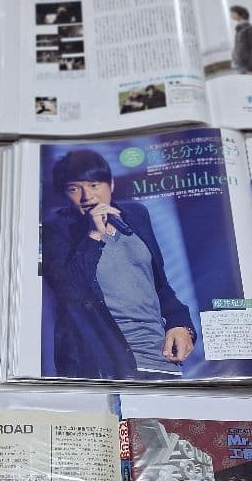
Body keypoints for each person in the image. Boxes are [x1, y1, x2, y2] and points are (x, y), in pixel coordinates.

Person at [41, 149, 196, 380]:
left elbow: (159, 286)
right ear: (63, 194)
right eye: (74, 189)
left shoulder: (136, 215)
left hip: (162, 360)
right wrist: (94, 234)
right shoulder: (55, 229)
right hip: (108, 367)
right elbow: (69, 293)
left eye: (94, 185)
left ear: (111, 184)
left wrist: (181, 324)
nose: (87, 196)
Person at [229, 5, 252, 74]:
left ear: (241, 15)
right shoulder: (240, 29)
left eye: (233, 12)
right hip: (240, 65)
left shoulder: (251, 29)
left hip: (247, 66)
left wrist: (251, 68)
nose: (231, 14)